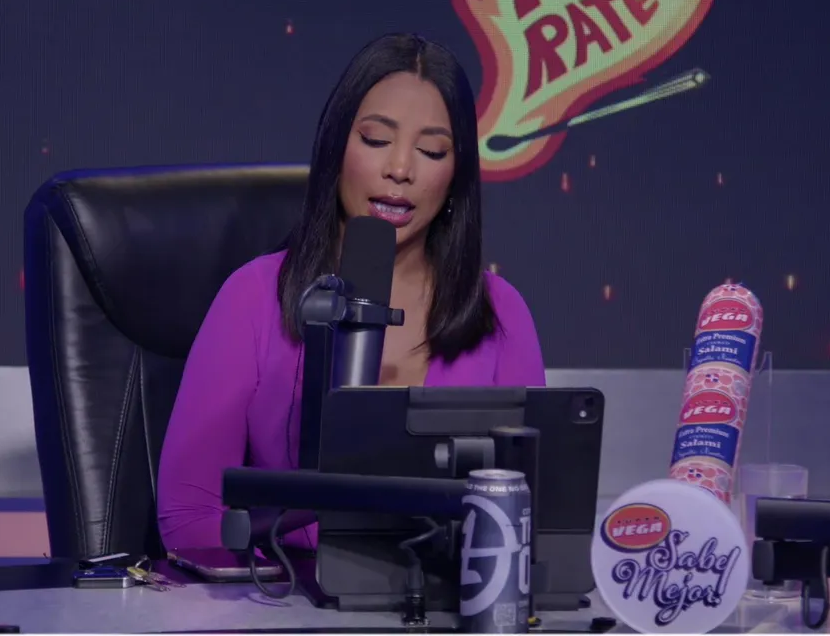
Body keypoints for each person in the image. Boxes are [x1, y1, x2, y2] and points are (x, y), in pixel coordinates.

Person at [157, 33, 546, 551]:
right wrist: (348, 552)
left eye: (431, 150)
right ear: (335, 148)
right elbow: (188, 518)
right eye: (376, 140)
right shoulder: (251, 297)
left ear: (457, 175)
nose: (400, 169)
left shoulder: (501, 312)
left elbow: (533, 519)